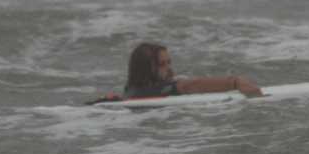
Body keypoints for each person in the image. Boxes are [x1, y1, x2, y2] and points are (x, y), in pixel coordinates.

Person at [109, 41, 263, 100]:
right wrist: (234, 82)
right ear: (145, 69)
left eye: (169, 62)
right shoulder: (147, 91)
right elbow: (189, 86)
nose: (169, 68)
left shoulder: (132, 90)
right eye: (162, 64)